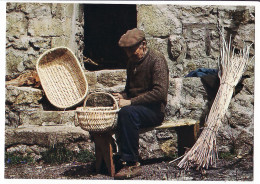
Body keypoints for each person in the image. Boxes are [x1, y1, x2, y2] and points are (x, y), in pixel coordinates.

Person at [113, 28, 169, 179]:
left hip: (154, 111)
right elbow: (130, 90)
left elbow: (160, 93)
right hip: (137, 108)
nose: (129, 55)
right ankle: (117, 156)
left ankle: (132, 164)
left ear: (143, 44)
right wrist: (121, 96)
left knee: (127, 113)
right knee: (122, 112)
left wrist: (129, 102)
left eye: (132, 50)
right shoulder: (132, 63)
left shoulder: (156, 60)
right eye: (126, 52)